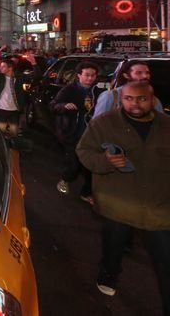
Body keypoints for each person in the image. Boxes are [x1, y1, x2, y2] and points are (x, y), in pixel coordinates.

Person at [76, 81, 170, 311]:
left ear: (153, 99)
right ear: (121, 99)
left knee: (165, 260)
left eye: (141, 99)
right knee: (114, 244)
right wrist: (105, 162)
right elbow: (84, 152)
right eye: (129, 99)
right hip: (119, 201)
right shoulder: (105, 123)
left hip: (158, 206)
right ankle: (108, 275)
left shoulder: (166, 125)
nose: (135, 104)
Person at [51, 61, 100, 204]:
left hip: (91, 134)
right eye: (87, 75)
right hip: (72, 132)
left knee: (90, 165)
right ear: (79, 75)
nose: (90, 78)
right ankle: (65, 179)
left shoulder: (98, 91)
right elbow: (53, 105)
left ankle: (86, 192)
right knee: (74, 162)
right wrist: (64, 106)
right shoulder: (69, 90)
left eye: (93, 75)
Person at [92, 60, 163, 119]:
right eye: (139, 73)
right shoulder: (110, 97)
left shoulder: (154, 100)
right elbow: (96, 127)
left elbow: (161, 126)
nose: (145, 76)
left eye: (147, 73)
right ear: (126, 76)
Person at [0, 52, 29, 137]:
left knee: (14, 132)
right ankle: (1, 147)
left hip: (14, 110)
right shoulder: (0, 77)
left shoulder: (19, 78)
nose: (1, 68)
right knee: (1, 132)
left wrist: (34, 63)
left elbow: (37, 75)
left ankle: (13, 147)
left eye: (3, 66)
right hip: (1, 109)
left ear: (10, 68)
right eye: (1, 66)